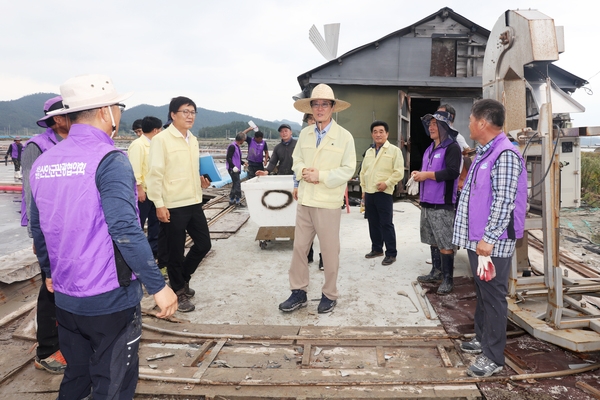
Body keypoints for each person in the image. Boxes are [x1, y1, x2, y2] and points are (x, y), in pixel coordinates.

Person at [29, 74, 178, 399]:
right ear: (105, 112)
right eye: (117, 107)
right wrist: (158, 286)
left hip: (66, 298)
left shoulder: (43, 163)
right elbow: (125, 230)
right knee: (113, 384)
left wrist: (49, 272)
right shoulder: (109, 160)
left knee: (77, 376)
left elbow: (39, 228)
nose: (119, 114)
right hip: (109, 298)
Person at [453, 99, 527, 377]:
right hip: (479, 239)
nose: (469, 124)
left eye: (471, 119)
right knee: (483, 292)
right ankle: (482, 339)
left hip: (491, 242)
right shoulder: (485, 152)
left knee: (494, 296)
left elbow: (504, 202)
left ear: (482, 122)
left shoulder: (505, 154)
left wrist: (489, 237)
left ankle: (493, 357)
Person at [279, 84, 356, 314]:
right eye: (316, 104)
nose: (320, 108)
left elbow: (348, 169)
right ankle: (298, 292)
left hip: (328, 203)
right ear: (311, 108)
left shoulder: (344, 137)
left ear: (332, 107)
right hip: (305, 201)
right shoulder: (304, 134)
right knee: (299, 248)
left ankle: (329, 294)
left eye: (324, 104)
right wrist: (303, 171)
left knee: (330, 251)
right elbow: (296, 160)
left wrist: (320, 176)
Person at [146, 96, 212, 313]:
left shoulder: (192, 139)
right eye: (185, 111)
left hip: (193, 200)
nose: (190, 115)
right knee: (175, 251)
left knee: (204, 244)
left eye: (193, 111)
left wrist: (201, 182)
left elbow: (191, 169)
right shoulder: (162, 140)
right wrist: (159, 204)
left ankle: (181, 279)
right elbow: (155, 174)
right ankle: (179, 291)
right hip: (172, 204)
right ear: (173, 114)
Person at [20, 96, 69, 374]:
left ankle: (67, 341)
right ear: (59, 119)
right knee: (49, 288)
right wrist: (36, 236)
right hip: (48, 230)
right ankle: (47, 350)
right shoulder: (36, 147)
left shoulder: (72, 143)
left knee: (64, 285)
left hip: (70, 227)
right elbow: (30, 194)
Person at [413, 111, 461, 295]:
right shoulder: (430, 148)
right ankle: (436, 271)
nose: (431, 127)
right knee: (433, 239)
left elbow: (452, 172)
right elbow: (427, 171)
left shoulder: (452, 147)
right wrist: (418, 175)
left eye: (435, 124)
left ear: (445, 127)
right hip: (426, 202)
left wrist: (427, 175)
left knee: (445, 242)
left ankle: (448, 278)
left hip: (442, 203)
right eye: (430, 124)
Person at [360, 120, 404, 266]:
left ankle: (391, 253)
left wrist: (387, 183)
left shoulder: (394, 151)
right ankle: (377, 249)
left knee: (386, 223)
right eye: (375, 132)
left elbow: (398, 172)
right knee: (373, 222)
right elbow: (363, 172)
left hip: (384, 192)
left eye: (381, 131)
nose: (378, 134)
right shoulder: (369, 151)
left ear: (387, 134)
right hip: (370, 192)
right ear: (372, 134)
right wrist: (363, 190)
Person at [128, 116, 162, 259]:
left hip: (155, 192)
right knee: (138, 224)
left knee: (156, 225)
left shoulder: (155, 144)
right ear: (155, 130)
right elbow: (135, 169)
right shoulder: (138, 145)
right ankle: (137, 256)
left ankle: (153, 254)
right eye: (160, 130)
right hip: (143, 193)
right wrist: (139, 189)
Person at [226, 132, 246, 206]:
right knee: (237, 184)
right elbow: (228, 158)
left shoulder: (237, 146)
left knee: (235, 184)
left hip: (236, 168)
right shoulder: (232, 146)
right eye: (243, 140)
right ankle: (237, 200)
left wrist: (243, 163)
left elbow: (237, 158)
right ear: (241, 140)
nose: (243, 141)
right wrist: (233, 166)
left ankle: (232, 199)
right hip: (232, 169)